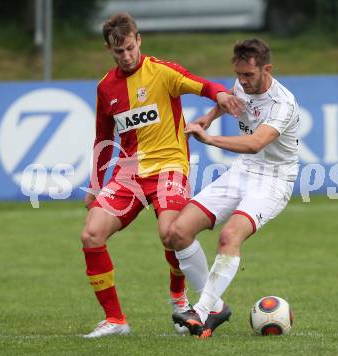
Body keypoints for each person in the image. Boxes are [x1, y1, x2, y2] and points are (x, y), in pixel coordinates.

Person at [80, 12, 244, 338]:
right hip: (128, 175)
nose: (126, 56)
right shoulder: (105, 88)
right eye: (119, 52)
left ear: (138, 40)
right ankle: (115, 320)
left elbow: (203, 85)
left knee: (171, 232)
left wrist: (221, 95)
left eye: (130, 48)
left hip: (169, 167)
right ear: (109, 50)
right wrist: (96, 184)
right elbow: (103, 138)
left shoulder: (162, 72)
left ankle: (179, 299)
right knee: (91, 235)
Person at [168, 38, 300, 338]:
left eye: (249, 75)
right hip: (242, 172)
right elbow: (230, 97)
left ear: (267, 69)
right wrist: (210, 117)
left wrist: (210, 139)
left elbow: (255, 144)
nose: (242, 81)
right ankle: (213, 305)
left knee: (230, 236)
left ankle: (200, 311)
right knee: (178, 232)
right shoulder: (243, 83)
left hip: (274, 179)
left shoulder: (283, 104)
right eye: (239, 74)